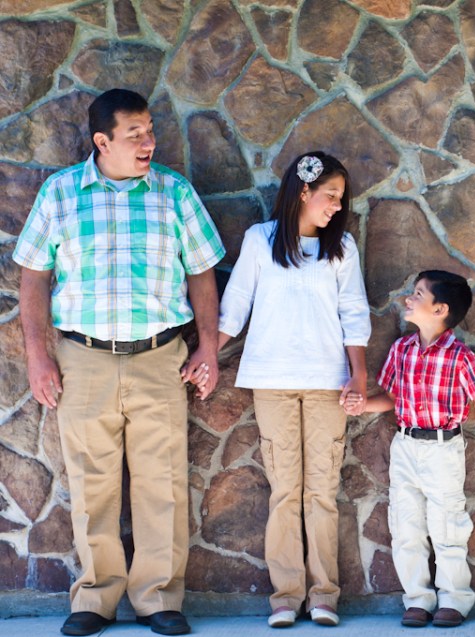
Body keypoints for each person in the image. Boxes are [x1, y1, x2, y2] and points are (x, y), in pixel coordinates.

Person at [14, 88, 225, 636]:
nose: (149, 141)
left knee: (163, 483)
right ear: (102, 142)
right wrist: (38, 356)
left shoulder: (174, 192)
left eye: (150, 131)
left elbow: (202, 272)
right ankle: (95, 597)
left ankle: (159, 599)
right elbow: (33, 277)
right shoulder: (61, 193)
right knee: (92, 485)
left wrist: (208, 347)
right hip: (83, 359)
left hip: (160, 357)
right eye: (135, 134)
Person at [214, 152, 370, 628]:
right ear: (303, 191)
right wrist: (206, 355)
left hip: (327, 384)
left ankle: (324, 595)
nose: (336, 206)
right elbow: (236, 305)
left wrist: (358, 375)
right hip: (273, 382)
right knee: (285, 492)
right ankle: (285, 596)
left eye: (340, 198)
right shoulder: (260, 241)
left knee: (321, 492)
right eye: (330, 195)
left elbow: (353, 310)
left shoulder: (341, 246)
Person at [360, 270, 475, 628]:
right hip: (405, 446)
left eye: (418, 293)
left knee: (448, 526)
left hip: (442, 449)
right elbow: (390, 398)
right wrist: (361, 405)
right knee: (406, 525)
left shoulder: (459, 356)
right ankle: (417, 599)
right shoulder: (401, 350)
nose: (409, 298)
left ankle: (453, 599)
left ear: (439, 309)